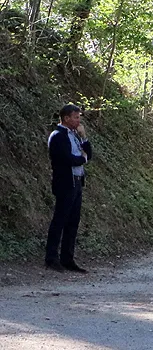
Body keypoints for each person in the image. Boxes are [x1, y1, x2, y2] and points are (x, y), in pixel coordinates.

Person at [46, 103, 93, 273]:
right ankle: (51, 258)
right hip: (65, 183)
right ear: (66, 118)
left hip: (77, 182)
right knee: (60, 220)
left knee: (73, 221)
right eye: (76, 117)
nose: (78, 120)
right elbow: (68, 159)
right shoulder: (58, 136)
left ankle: (67, 258)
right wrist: (83, 159)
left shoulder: (75, 135)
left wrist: (84, 137)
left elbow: (89, 154)